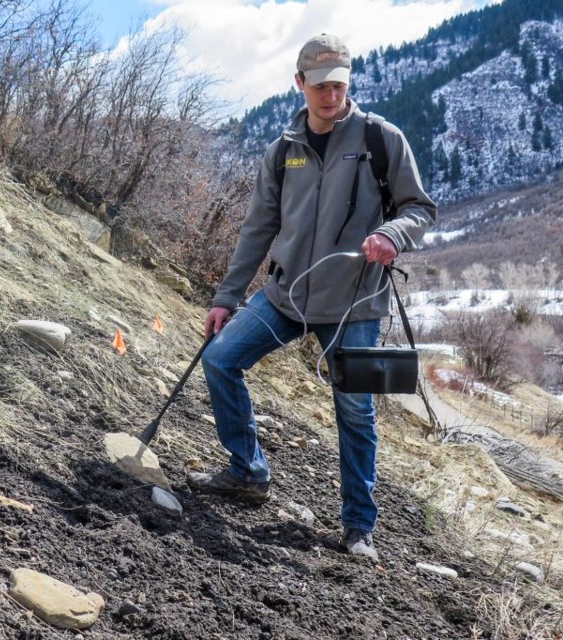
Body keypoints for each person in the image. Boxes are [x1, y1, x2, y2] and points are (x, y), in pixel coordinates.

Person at [187, 34, 436, 561]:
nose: (331, 96)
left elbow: (419, 209)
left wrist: (391, 235)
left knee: (355, 412)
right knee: (221, 360)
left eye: (340, 85)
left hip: (354, 305)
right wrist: (226, 297)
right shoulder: (282, 150)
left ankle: (358, 528)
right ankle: (248, 471)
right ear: (299, 84)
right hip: (284, 296)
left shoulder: (380, 138)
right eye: (321, 86)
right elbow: (258, 229)